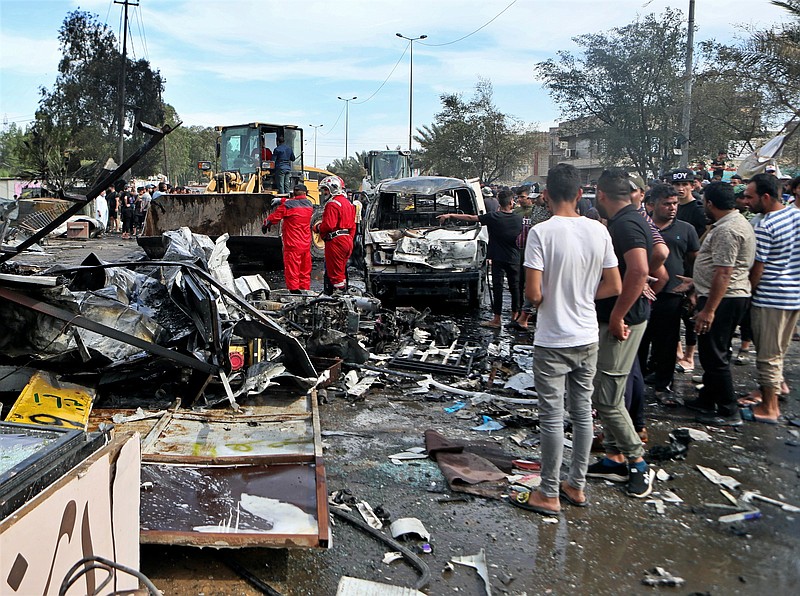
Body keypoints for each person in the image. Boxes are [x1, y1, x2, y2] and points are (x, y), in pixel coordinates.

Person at [507, 163, 621, 516]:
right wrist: (584, 296)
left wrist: (550, 297)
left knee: (553, 417)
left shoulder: (541, 233)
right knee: (583, 413)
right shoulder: (599, 231)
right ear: (578, 194)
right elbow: (615, 286)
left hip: (553, 338)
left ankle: (549, 493)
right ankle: (577, 485)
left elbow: (534, 294)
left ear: (545, 196)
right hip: (587, 336)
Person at [586, 168, 654, 499]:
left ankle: (638, 462)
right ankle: (613, 457)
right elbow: (652, 261)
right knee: (608, 388)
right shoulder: (631, 218)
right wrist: (638, 287)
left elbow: (640, 268)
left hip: (624, 320)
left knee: (607, 398)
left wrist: (617, 313)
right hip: (626, 314)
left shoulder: (626, 224)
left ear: (600, 194)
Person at [684, 182, 755, 426]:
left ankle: (728, 410)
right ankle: (708, 398)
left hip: (725, 299)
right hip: (723, 296)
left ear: (710, 204)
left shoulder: (728, 230)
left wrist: (708, 310)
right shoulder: (728, 224)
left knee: (715, 356)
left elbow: (724, 272)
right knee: (713, 352)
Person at [740, 173, 800, 423]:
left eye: (750, 197)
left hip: (770, 298)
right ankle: (774, 388)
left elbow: (758, 267)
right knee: (779, 350)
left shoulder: (765, 225)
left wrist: (748, 293)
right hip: (792, 295)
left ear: (765, 197)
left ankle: (770, 408)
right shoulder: (794, 215)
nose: (745, 201)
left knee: (768, 355)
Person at [640, 184, 700, 402]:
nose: (672, 208)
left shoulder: (686, 230)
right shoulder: (641, 227)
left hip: (672, 295)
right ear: (652, 205)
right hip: (641, 294)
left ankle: (663, 386)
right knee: (640, 341)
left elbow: (695, 261)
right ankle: (636, 383)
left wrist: (694, 287)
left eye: (675, 204)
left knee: (667, 343)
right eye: (667, 204)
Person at [438, 189, 522, 328]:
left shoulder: (493, 217)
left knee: (498, 288)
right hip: (514, 258)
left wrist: (450, 215)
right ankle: (515, 317)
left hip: (498, 258)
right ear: (511, 202)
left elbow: (472, 218)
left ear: (499, 203)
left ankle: (497, 319)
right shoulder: (519, 219)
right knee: (515, 288)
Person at [264, 183, 314, 292]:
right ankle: (306, 292)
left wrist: (266, 223)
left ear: (294, 192)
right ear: (306, 193)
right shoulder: (309, 204)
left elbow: (275, 218)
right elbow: (297, 202)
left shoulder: (288, 206)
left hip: (292, 244)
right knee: (304, 271)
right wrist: (282, 200)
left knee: (292, 271)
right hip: (305, 244)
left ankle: (294, 293)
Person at [314, 175, 356, 294]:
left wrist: (318, 228)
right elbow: (353, 225)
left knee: (334, 273)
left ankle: (338, 298)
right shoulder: (349, 204)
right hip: (347, 239)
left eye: (326, 189)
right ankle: (343, 292)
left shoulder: (333, 204)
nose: (324, 193)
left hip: (336, 241)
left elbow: (329, 225)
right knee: (341, 270)